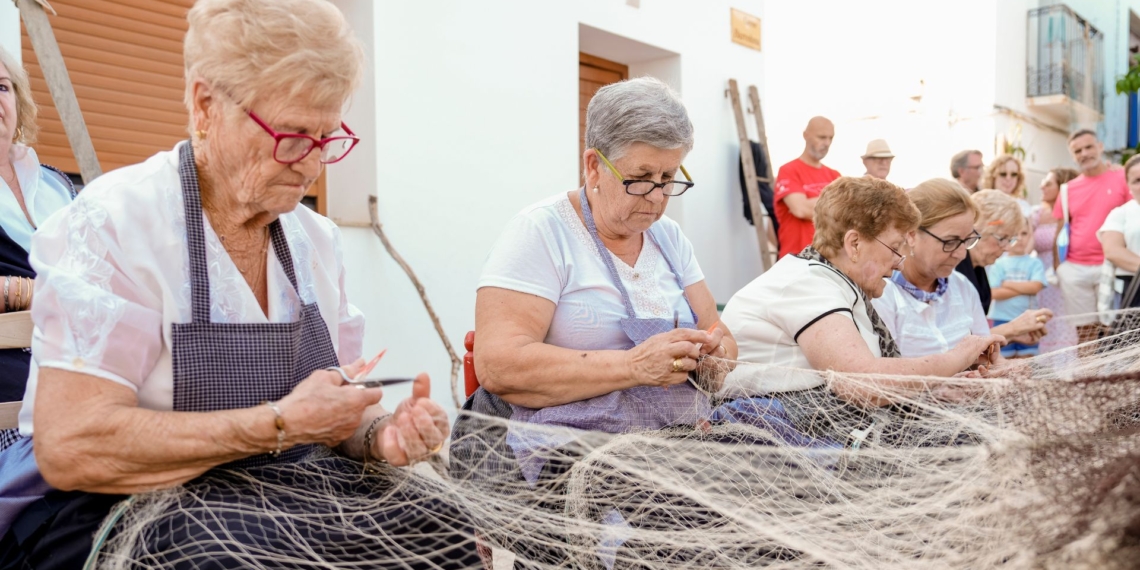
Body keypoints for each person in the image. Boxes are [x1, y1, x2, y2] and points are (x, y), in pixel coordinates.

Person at [0, 1, 477, 567]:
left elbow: (338, 407)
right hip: (116, 503)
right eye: (294, 135)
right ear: (206, 105)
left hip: (275, 487)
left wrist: (380, 435)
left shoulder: (314, 240)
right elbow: (74, 446)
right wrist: (276, 425)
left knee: (439, 525)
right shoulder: (115, 223)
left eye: (328, 137)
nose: (312, 165)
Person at [470, 76, 736, 479]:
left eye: (668, 179)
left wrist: (716, 358)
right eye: (641, 177)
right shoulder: (541, 233)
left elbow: (717, 331)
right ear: (594, 166)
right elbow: (499, 366)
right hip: (571, 458)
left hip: (673, 445)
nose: (657, 197)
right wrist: (633, 366)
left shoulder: (670, 239)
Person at [722, 177, 1001, 398]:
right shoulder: (807, 284)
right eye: (894, 248)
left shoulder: (832, 283)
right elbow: (863, 383)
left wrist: (938, 387)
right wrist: (957, 357)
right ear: (854, 244)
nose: (899, 263)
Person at [874, 181, 1048, 358]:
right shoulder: (881, 294)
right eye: (950, 242)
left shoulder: (963, 287)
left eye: (966, 241)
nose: (961, 254)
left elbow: (987, 355)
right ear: (911, 235)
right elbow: (886, 374)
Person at [0, 46, 75, 451]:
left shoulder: (55, 183)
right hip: (14, 372)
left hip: (84, 356)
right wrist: (28, 291)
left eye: (2, 87)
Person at [1055, 129, 1131, 343]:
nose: (1084, 153)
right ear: (1072, 155)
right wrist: (1060, 268)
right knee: (1085, 334)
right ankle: (1088, 376)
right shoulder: (1067, 189)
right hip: (1075, 270)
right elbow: (1060, 230)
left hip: (1112, 265)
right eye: (1077, 150)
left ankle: (1116, 377)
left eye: (1089, 147)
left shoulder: (1122, 178)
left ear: (1100, 147)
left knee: (1114, 331)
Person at [773, 116, 839, 258]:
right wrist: (835, 205)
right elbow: (800, 209)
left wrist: (813, 203)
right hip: (796, 260)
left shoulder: (835, 175)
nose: (827, 143)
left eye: (830, 138)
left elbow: (846, 213)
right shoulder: (788, 170)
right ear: (805, 135)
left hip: (828, 261)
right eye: (821, 137)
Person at [1033, 167, 1080, 353]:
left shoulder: (1074, 216)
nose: (1041, 186)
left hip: (1066, 277)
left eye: (1048, 183)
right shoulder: (1036, 214)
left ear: (1062, 187)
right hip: (1041, 280)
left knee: (1065, 323)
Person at [989, 225, 1048, 357]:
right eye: (1015, 234)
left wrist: (1007, 284)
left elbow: (1035, 288)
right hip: (1002, 319)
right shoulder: (999, 263)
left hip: (1029, 319)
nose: (1019, 238)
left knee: (1027, 358)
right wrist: (1025, 288)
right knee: (1003, 358)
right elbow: (994, 293)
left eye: (1024, 234)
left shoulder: (1035, 263)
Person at [1098, 154, 1140, 309]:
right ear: (1128, 186)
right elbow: (1113, 251)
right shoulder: (1121, 213)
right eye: (1137, 181)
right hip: (1134, 289)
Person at [983, 154, 1032, 218]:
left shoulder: (1023, 207)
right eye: (1003, 174)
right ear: (993, 177)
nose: (1008, 178)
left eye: (1014, 174)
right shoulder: (982, 203)